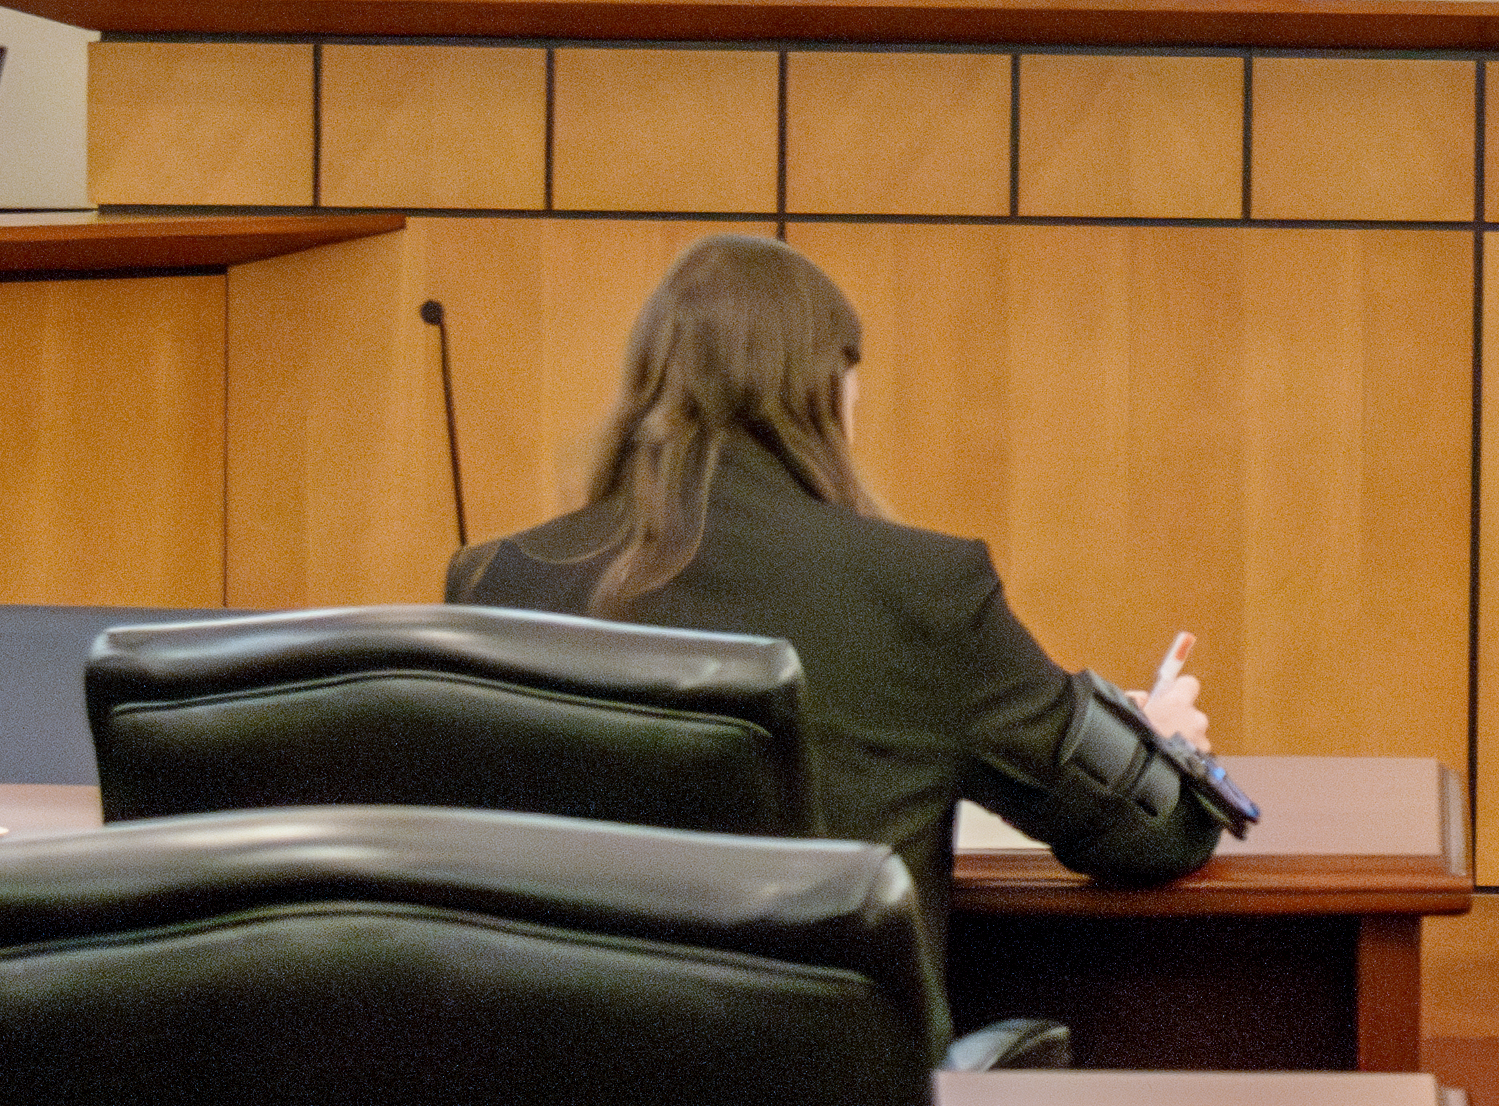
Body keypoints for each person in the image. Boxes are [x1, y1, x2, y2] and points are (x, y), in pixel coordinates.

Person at [445, 233, 1215, 1001]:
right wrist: (1164, 744)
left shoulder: (497, 584)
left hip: (557, 1099)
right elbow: (1145, 831)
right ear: (829, 390)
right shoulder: (922, 587)